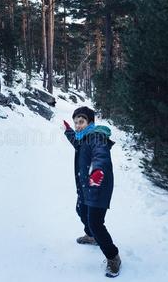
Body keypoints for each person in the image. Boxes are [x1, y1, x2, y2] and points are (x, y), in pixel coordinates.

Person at [63, 106, 121, 278]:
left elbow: (100, 155)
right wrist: (68, 132)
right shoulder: (83, 138)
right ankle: (92, 236)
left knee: (96, 223)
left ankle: (113, 257)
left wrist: (98, 171)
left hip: (98, 186)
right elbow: (77, 143)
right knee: (81, 210)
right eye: (76, 123)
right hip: (85, 186)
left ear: (90, 122)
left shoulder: (96, 137)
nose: (78, 126)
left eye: (81, 122)